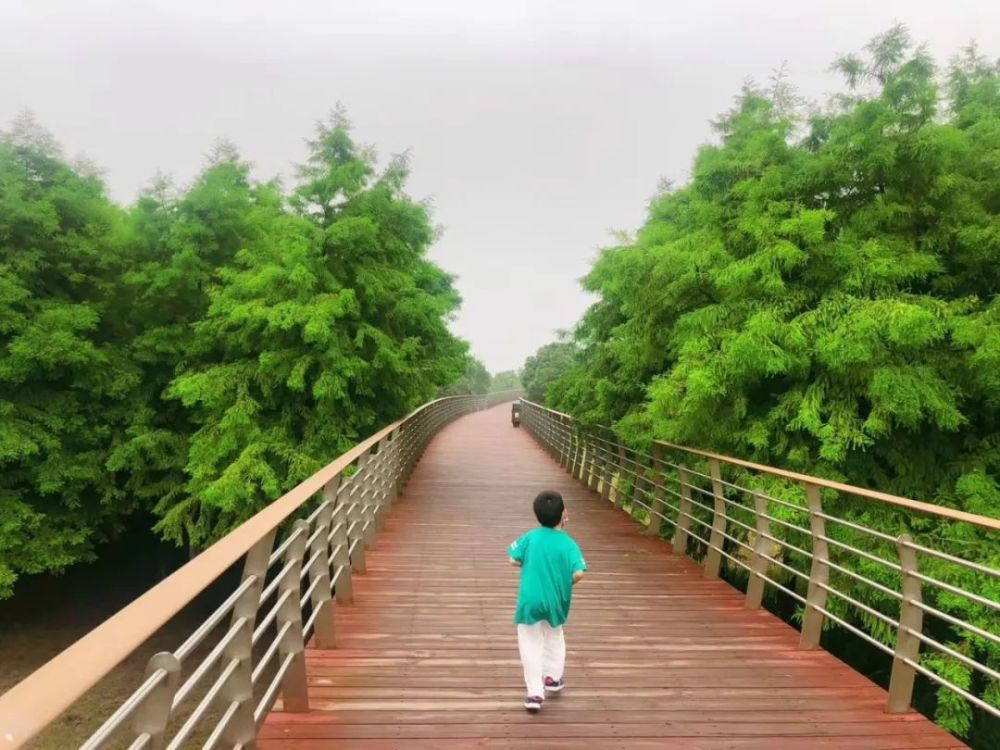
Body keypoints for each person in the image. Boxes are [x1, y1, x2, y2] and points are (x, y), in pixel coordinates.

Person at [507, 490, 586, 712]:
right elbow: (579, 572)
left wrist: (527, 563)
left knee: (530, 643)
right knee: (555, 636)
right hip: (556, 601)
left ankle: (534, 693)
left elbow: (513, 558)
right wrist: (566, 580)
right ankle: (553, 677)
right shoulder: (569, 544)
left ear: (537, 515)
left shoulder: (530, 537)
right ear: (564, 514)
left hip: (530, 601)